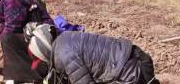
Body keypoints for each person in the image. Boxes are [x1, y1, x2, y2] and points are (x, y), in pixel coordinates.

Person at [27, 25, 159, 84]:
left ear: (44, 53)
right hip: (132, 57)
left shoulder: (63, 55)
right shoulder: (65, 39)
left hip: (130, 72)